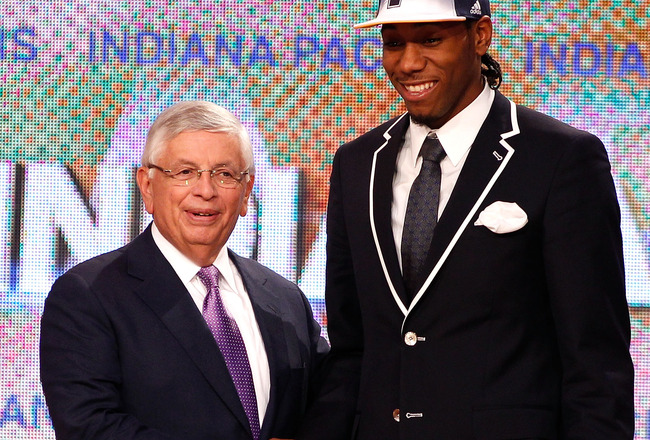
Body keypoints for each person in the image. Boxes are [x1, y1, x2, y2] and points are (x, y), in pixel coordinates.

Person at [297, 0, 634, 439]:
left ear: (480, 36)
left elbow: (595, 361)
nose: (409, 63)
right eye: (394, 43)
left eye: (431, 39)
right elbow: (352, 349)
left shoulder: (561, 158)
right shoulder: (357, 164)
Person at [40, 101, 329, 440]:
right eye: (185, 172)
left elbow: (331, 402)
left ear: (247, 192)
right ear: (147, 186)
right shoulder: (88, 296)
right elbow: (90, 428)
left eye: (224, 174)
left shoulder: (284, 297)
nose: (205, 191)